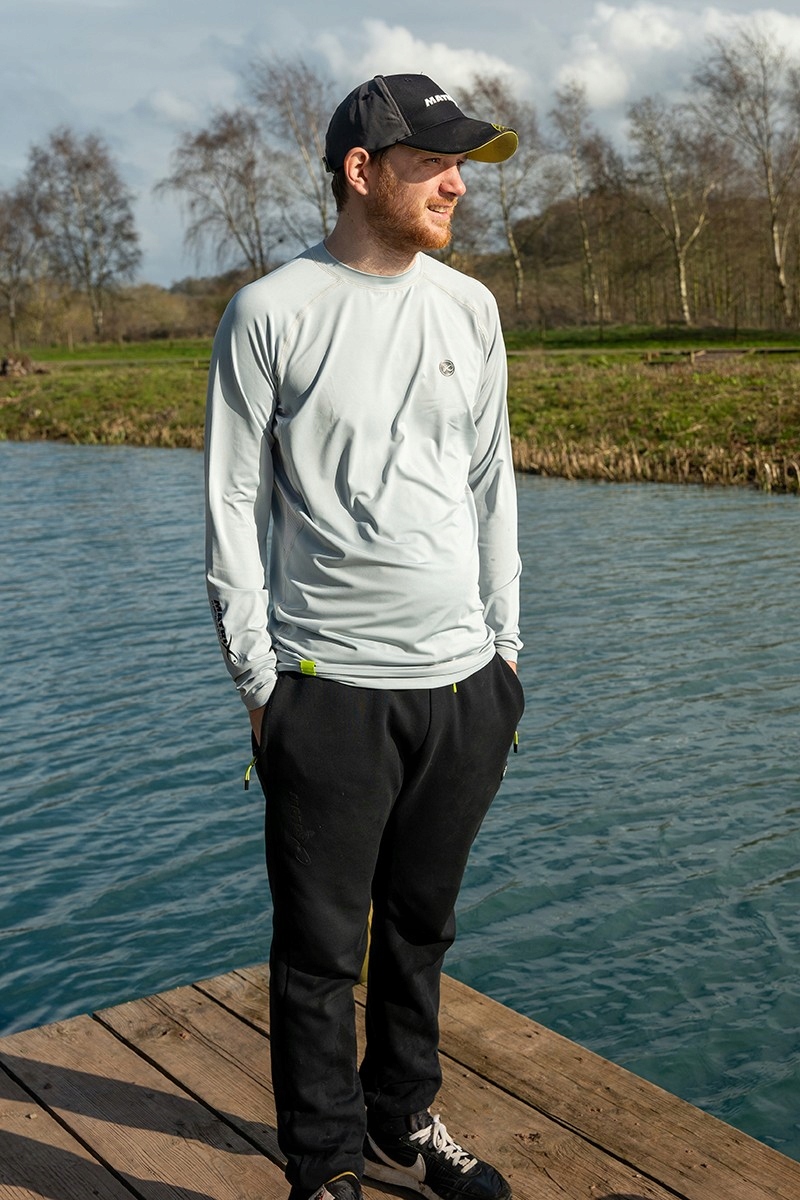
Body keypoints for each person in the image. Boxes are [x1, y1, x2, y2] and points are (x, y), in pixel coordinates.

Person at [205, 72, 525, 1200]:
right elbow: (232, 508)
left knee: (421, 929)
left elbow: (490, 484)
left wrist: (506, 657)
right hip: (325, 686)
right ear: (360, 171)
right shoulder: (269, 312)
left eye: (462, 166)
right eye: (434, 163)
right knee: (318, 953)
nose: (457, 185)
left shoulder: (469, 309)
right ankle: (324, 1162)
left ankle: (402, 1114)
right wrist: (261, 684)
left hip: (464, 688)